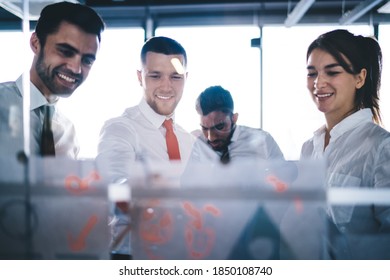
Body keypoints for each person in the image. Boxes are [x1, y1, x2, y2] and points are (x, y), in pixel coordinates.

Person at [96, 36, 194, 259]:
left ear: (186, 79)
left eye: (176, 77)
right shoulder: (120, 129)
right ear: (140, 77)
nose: (167, 86)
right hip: (133, 257)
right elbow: (112, 185)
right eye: (155, 76)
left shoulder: (189, 141)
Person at [301, 29, 390, 259]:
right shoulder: (309, 149)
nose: (318, 83)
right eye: (312, 73)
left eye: (332, 72)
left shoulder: (380, 148)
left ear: (360, 78)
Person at [0, 1, 105, 159]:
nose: (76, 69)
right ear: (35, 44)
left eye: (87, 61)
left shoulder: (68, 134)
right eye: (65, 51)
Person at [189, 85, 284, 164]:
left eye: (219, 127)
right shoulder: (199, 145)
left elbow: (288, 171)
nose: (211, 137)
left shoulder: (262, 139)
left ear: (234, 118)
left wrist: (266, 176)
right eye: (205, 128)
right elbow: (187, 182)